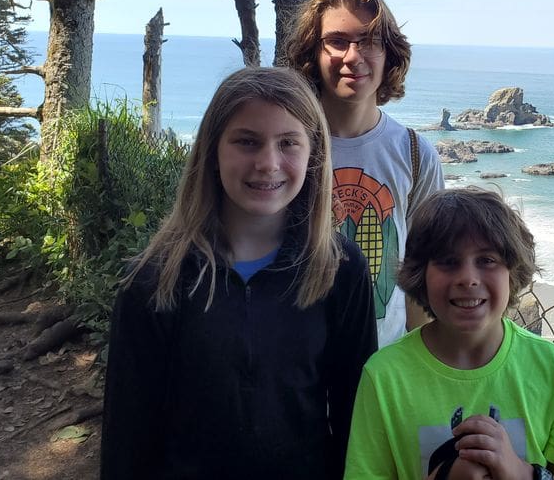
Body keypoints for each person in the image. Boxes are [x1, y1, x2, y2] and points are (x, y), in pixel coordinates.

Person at [100, 67, 376, 480]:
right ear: (213, 150)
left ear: (313, 153)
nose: (268, 163)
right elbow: (128, 433)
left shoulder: (340, 268)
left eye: (288, 143)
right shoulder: (155, 278)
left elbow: (358, 416)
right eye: (247, 141)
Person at [344, 187, 554, 480]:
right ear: (420, 274)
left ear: (513, 272)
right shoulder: (384, 376)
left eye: (487, 260)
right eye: (448, 261)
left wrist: (520, 472)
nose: (468, 278)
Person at [287, 0, 444, 348]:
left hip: (380, 368)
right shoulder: (285, 146)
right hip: (293, 362)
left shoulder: (415, 154)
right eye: (337, 41)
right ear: (315, 50)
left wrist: (416, 366)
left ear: (389, 54)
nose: (353, 56)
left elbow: (423, 273)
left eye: (370, 41)